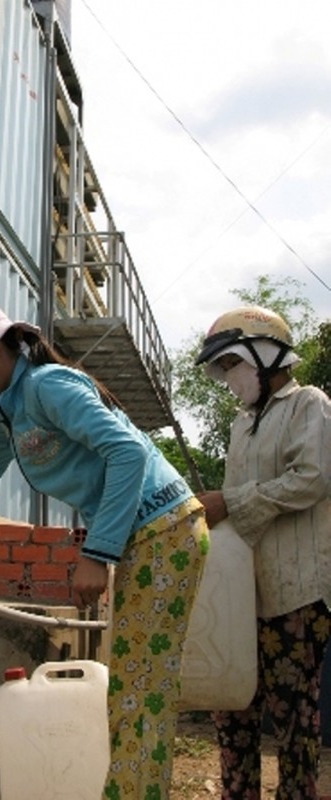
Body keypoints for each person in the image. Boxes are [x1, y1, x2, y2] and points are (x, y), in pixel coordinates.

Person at [0, 294, 209, 799]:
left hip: (164, 530)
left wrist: (97, 554)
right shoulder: (9, 416)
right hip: (145, 537)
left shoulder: (47, 386)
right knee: (134, 690)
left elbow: (127, 452)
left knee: (138, 693)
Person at [195, 305, 331, 800]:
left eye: (233, 365)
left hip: (297, 592)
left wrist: (229, 501)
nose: (229, 379)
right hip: (243, 594)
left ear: (266, 353)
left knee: (293, 717)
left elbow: (311, 480)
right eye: (225, 369)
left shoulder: (309, 404)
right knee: (232, 708)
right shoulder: (241, 425)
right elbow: (235, 506)